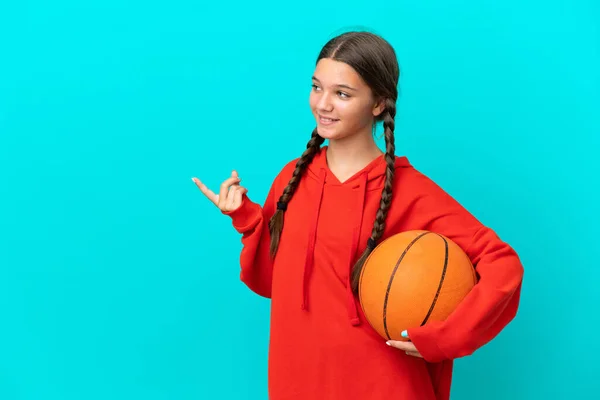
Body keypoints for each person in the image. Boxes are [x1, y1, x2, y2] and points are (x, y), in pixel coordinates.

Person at [192, 31, 524, 400]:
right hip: (297, 381)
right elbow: (274, 281)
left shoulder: (410, 191)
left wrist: (447, 337)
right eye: (317, 88)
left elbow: (502, 264)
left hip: (386, 386)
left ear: (379, 103)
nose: (323, 104)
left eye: (342, 94)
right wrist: (245, 217)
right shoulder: (292, 178)